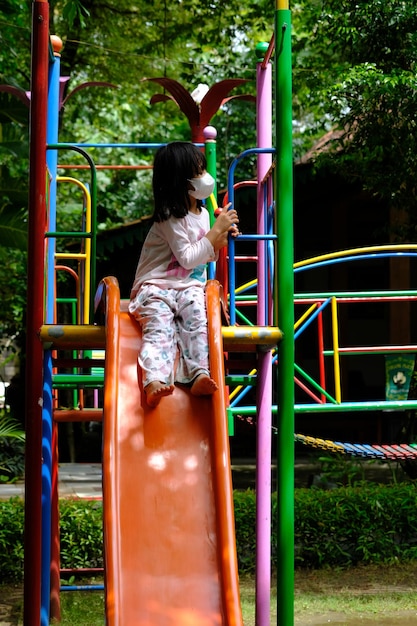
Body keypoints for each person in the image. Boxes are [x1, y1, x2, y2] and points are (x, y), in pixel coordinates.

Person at [128, 141, 239, 407]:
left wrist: (219, 240)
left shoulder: (201, 214)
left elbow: (200, 258)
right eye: (198, 173)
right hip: (156, 286)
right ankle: (153, 381)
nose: (205, 178)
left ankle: (199, 373)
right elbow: (188, 257)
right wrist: (215, 232)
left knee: (197, 320)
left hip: (188, 286)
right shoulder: (169, 217)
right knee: (159, 326)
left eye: (202, 170)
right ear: (180, 181)